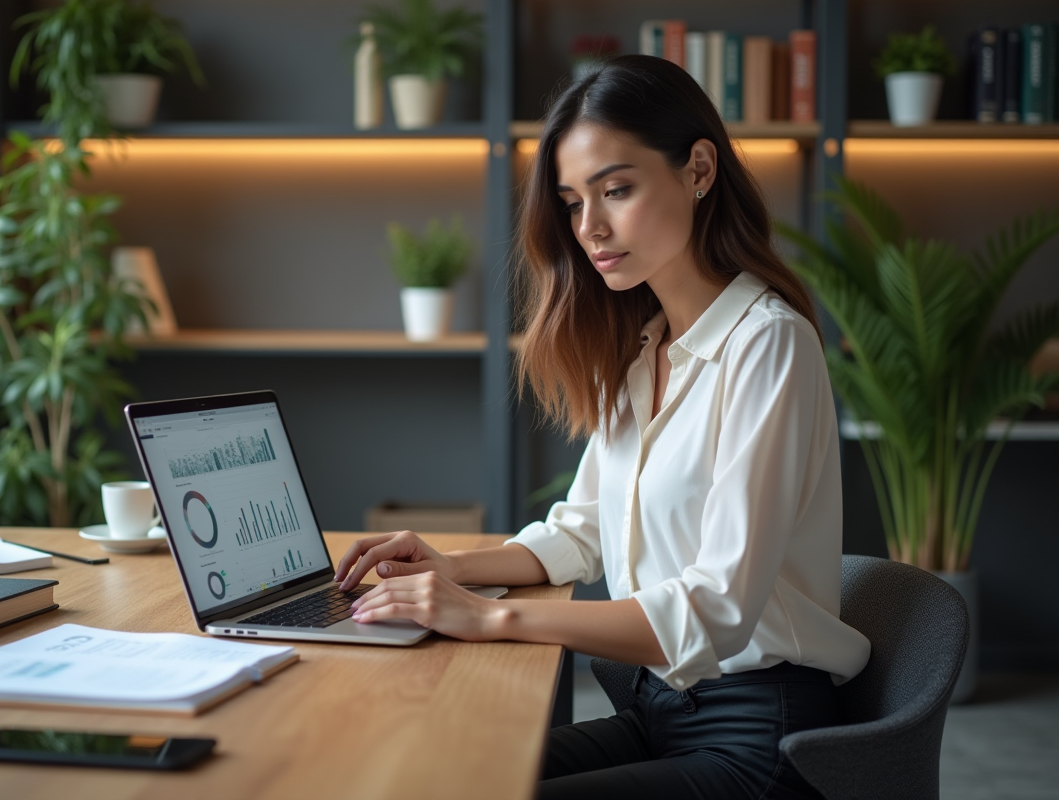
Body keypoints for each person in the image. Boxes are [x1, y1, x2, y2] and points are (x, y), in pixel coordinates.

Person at [335, 55, 871, 799]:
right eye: (571, 202)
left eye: (616, 190)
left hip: (759, 736)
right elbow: (582, 530)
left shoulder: (768, 344)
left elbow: (717, 609)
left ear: (699, 169)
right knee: (435, 777)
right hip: (659, 710)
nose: (589, 228)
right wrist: (453, 566)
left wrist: (489, 619)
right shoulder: (646, 349)